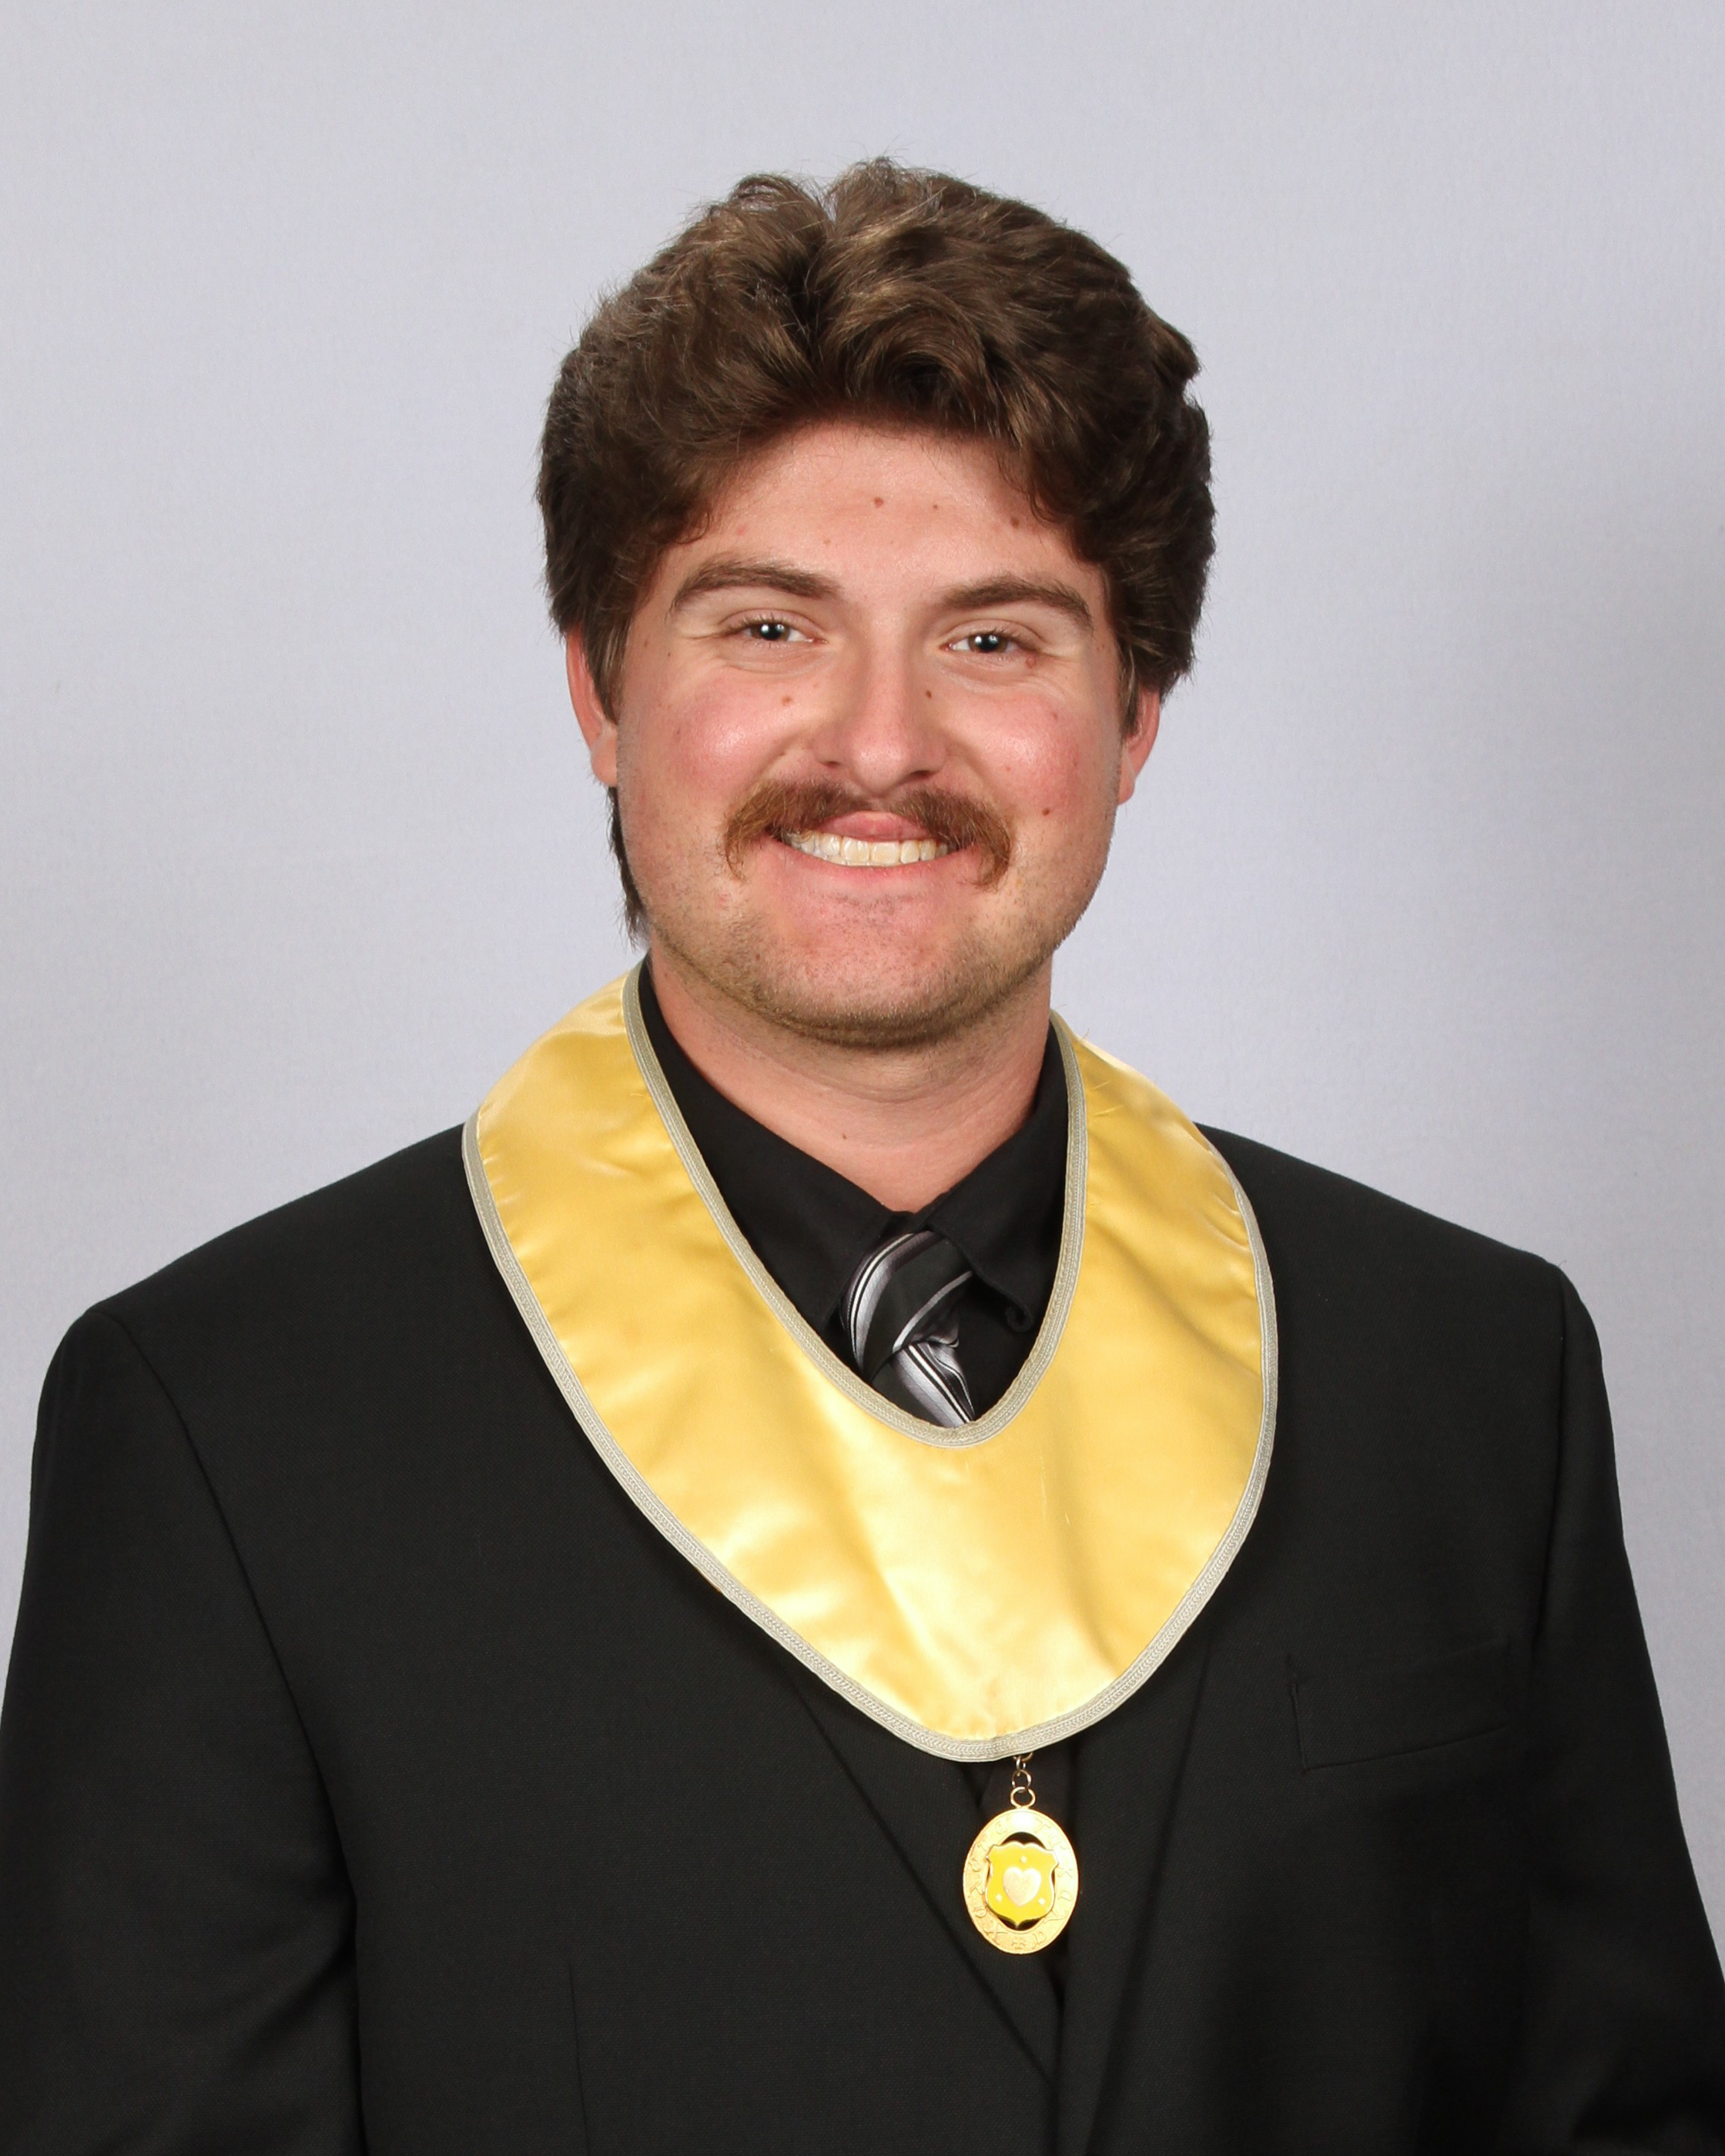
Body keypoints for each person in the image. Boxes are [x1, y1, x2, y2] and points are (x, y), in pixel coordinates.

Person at [1, 159, 1720, 2156]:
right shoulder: (229, 1431)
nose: (881, 743)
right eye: (769, 626)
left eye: (994, 639)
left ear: (1136, 716)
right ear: (600, 691)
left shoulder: (1470, 1378)